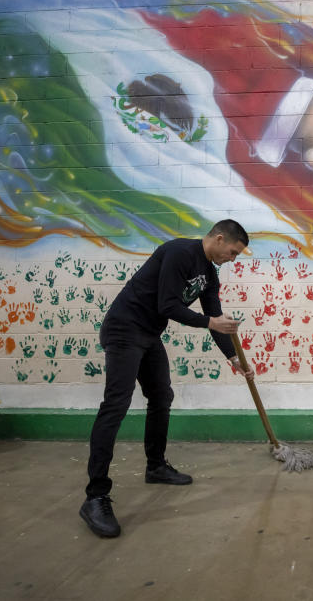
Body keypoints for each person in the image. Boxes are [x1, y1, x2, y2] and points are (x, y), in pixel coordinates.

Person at [79, 219, 254, 538]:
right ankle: (95, 497)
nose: (232, 259)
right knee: (115, 405)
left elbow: (214, 315)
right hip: (123, 329)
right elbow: (168, 305)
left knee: (161, 396)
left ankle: (155, 466)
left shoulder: (210, 273)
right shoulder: (179, 253)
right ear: (218, 239)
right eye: (232, 252)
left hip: (147, 333)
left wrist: (232, 358)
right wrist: (209, 323)